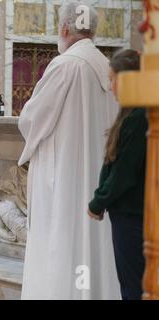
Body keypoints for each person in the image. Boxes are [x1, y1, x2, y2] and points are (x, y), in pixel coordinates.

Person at [17, 2, 121, 299]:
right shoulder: (108, 68)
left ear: (64, 29)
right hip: (97, 178)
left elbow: (32, 119)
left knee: (61, 241)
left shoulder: (65, 65)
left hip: (63, 177)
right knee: (92, 243)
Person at [88, 49, 147, 300]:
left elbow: (124, 173)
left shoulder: (139, 118)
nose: (111, 87)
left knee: (133, 285)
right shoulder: (135, 114)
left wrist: (98, 202)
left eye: (113, 79)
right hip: (129, 213)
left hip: (132, 216)